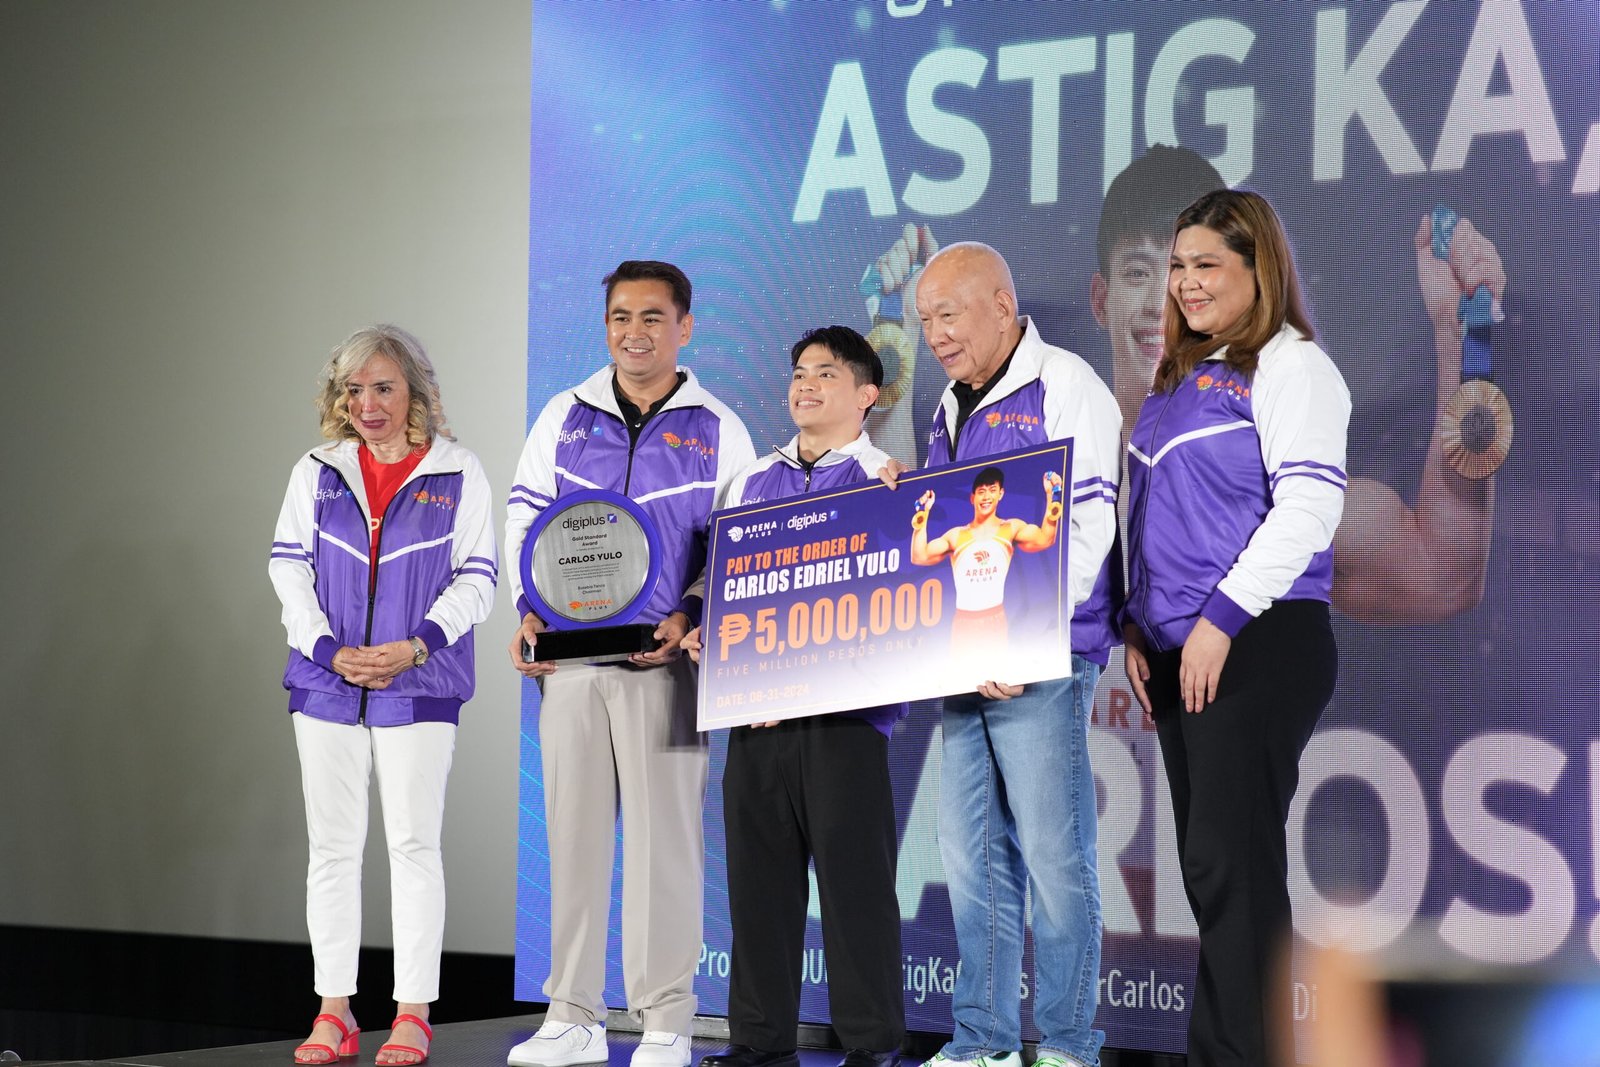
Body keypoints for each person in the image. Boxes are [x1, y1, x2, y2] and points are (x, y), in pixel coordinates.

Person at [1121, 189, 1351, 1067]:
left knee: (1235, 866)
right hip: (1190, 646)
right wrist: (1139, 630)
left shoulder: (1292, 366)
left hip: (1261, 637)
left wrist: (1216, 620)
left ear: (1260, 268)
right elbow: (1158, 518)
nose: (1184, 283)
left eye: (1205, 264)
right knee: (1216, 871)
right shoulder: (1179, 379)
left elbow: (1310, 506)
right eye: (1178, 266)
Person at [505, 261, 755, 1067]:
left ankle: (665, 1022)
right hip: (571, 664)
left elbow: (737, 543)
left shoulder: (720, 427)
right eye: (619, 317)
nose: (633, 332)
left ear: (685, 326)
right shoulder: (564, 415)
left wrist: (691, 610)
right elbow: (524, 515)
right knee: (572, 835)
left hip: (670, 663)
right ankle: (573, 1013)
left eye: (652, 317)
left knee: (665, 843)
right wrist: (528, 606)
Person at [911, 243, 1122, 1067]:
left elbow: (1088, 528)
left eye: (948, 314)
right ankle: (983, 1043)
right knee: (971, 855)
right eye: (925, 320)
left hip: (1044, 658)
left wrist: (1023, 640)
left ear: (1003, 304)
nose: (934, 335)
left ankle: (1069, 1044)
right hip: (965, 662)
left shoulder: (1067, 385)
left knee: (1052, 852)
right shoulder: (949, 407)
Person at [269, 325, 498, 1066]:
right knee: (332, 849)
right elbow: (287, 570)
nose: (367, 403)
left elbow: (480, 577)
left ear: (415, 392)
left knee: (412, 845)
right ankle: (334, 1011)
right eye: (353, 389)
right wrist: (329, 651)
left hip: (420, 682)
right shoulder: (316, 469)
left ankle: (412, 1013)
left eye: (383, 387)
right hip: (325, 685)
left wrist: (417, 644)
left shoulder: (459, 471)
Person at [683, 324, 908, 1067]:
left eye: (826, 374)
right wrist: (704, 634)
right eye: (799, 373)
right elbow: (724, 584)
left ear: (867, 396)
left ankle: (872, 1044)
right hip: (755, 718)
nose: (805, 385)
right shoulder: (751, 479)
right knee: (759, 886)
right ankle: (759, 1039)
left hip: (844, 721)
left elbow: (898, 605)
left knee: (856, 889)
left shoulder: (889, 481)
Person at [909, 465, 1065, 666]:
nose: (986, 497)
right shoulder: (956, 535)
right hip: (963, 622)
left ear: (1001, 494)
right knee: (960, 683)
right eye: (981, 492)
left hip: (995, 619)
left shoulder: (1010, 527)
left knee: (995, 681)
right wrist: (923, 515)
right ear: (972, 497)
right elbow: (919, 556)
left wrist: (1053, 495)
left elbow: (1045, 538)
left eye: (992, 490)